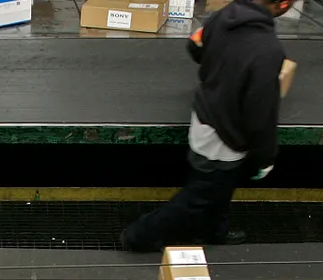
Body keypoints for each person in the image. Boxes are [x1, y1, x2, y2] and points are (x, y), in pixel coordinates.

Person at [121, 0, 292, 252]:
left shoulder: (225, 15)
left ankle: (214, 231)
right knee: (199, 197)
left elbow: (195, 46)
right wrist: (265, 157)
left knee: (220, 189)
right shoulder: (268, 50)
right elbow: (260, 114)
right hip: (225, 137)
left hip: (204, 115)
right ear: (283, 5)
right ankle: (139, 236)